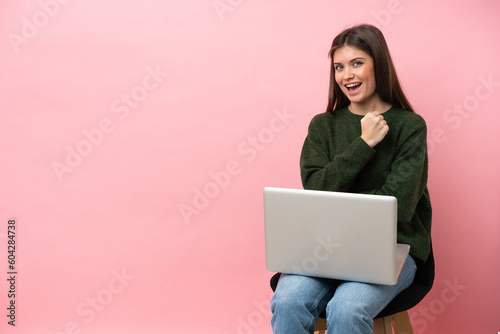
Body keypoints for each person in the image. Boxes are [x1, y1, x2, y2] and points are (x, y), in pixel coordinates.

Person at [270, 24, 432, 334]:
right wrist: (363, 144)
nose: (347, 75)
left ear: (378, 64)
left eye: (357, 63)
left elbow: (398, 204)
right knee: (288, 301)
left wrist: (341, 199)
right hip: (324, 250)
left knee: (347, 308)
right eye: (339, 67)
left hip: (392, 249)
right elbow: (317, 189)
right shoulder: (323, 126)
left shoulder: (410, 126)